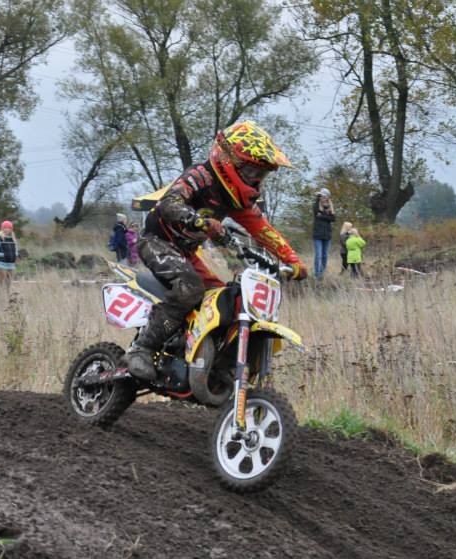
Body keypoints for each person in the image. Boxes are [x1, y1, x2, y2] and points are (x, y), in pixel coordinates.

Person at [125, 120, 308, 381]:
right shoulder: (200, 176)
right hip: (157, 241)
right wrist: (198, 220)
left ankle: (200, 358)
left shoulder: (235, 199)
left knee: (222, 298)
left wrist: (292, 259)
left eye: (261, 174)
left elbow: (262, 229)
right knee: (190, 289)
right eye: (253, 171)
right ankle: (143, 348)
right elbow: (169, 203)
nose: (256, 179)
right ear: (230, 159)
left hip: (186, 252)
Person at [312, 188, 335, 279]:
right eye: (321, 196)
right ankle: (316, 274)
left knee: (325, 255)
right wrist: (327, 216)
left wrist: (322, 215)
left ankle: (321, 273)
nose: (323, 198)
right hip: (318, 235)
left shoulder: (329, 208)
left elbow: (333, 218)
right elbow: (318, 214)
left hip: (327, 236)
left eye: (324, 196)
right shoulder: (316, 207)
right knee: (318, 255)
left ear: (328, 197)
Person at [0, 220, 18, 292]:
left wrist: (15, 254)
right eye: (5, 227)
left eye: (9, 228)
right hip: (1, 265)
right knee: (0, 284)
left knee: (8, 286)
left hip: (11, 265)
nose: (7, 229)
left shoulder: (13, 239)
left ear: (11, 229)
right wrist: (3, 255)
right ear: (2, 228)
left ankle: (6, 298)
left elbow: (16, 251)